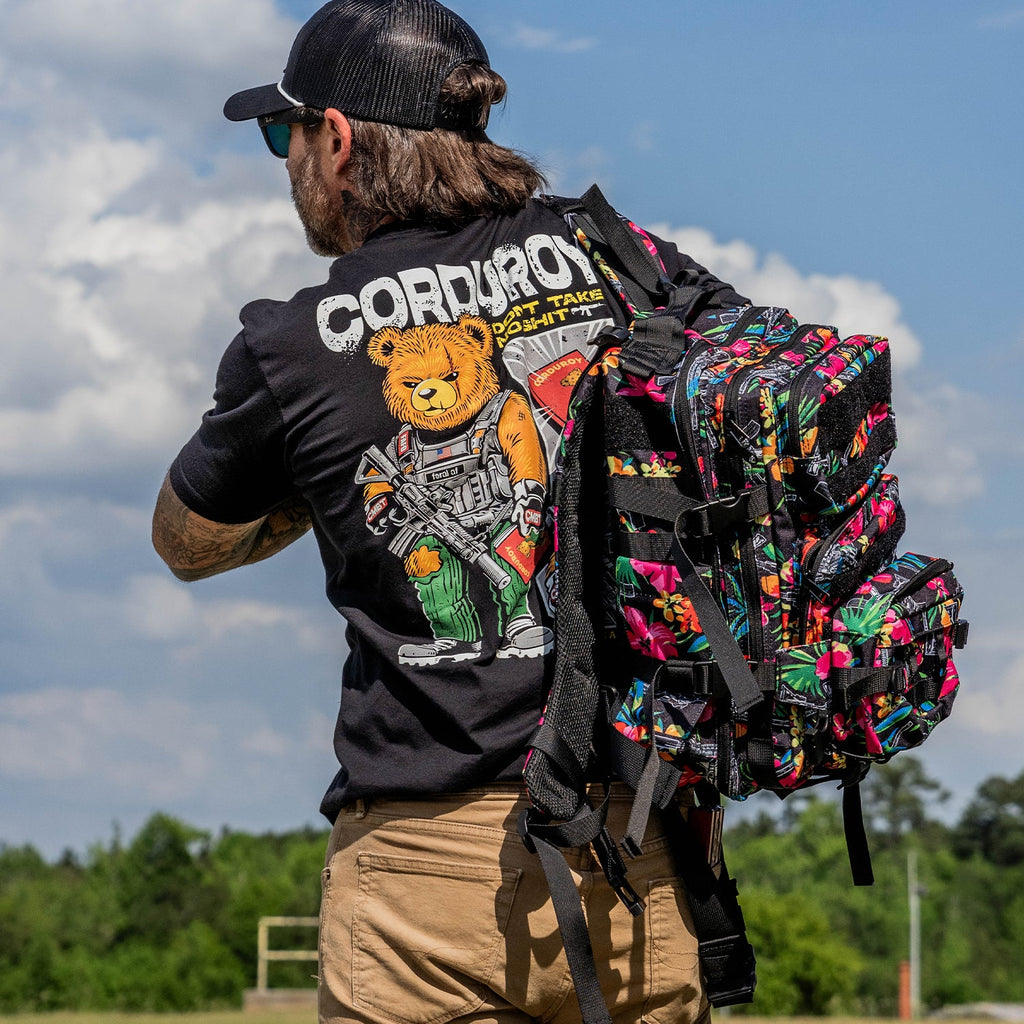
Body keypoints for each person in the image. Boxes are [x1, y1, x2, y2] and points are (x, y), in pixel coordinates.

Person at [152, 2, 749, 1021]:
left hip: (429, 880)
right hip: (644, 850)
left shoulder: (297, 346)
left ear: (334, 140)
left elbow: (189, 541)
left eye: (280, 132)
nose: (285, 156)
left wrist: (324, 473)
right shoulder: (623, 261)